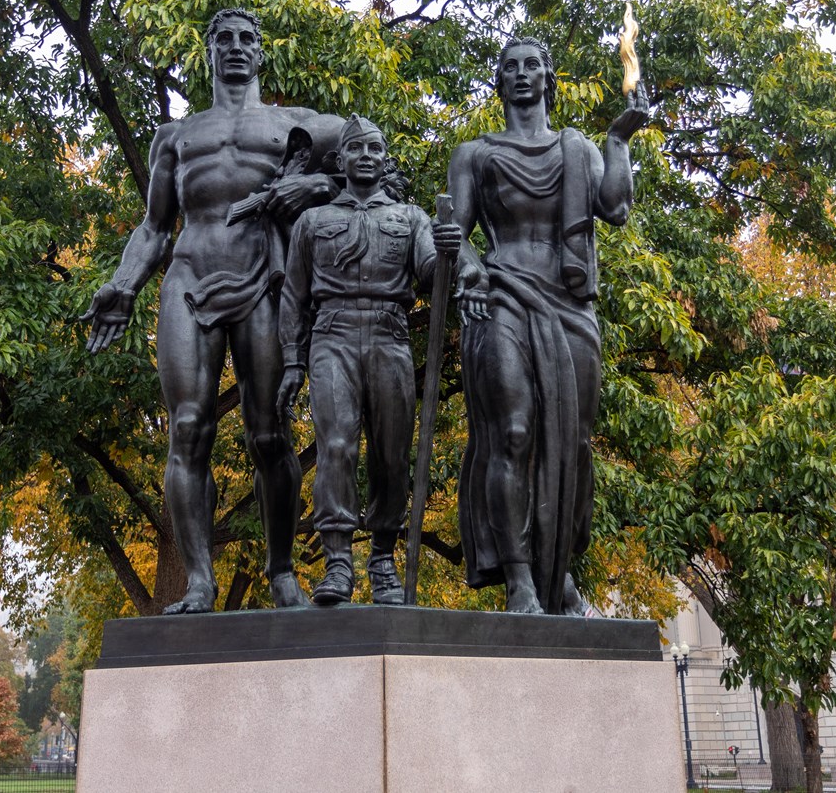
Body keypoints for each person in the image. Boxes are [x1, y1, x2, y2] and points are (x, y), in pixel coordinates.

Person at [84, 8, 344, 613]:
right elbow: (153, 228)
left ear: (260, 53)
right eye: (222, 38)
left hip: (264, 280)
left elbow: (367, 161)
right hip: (190, 276)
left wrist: (317, 186)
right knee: (189, 427)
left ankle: (282, 573)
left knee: (268, 431)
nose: (234, 47)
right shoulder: (176, 136)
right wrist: (123, 284)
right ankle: (199, 582)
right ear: (207, 53)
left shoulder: (296, 126)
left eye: (246, 38)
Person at [445, 36, 648, 614]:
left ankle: (557, 567)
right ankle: (519, 580)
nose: (522, 74)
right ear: (499, 82)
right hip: (504, 294)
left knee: (571, 445)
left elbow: (616, 208)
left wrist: (618, 140)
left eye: (533, 64)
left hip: (569, 305)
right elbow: (455, 237)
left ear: (548, 77)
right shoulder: (475, 154)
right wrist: (468, 270)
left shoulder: (577, 147)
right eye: (511, 67)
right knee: (512, 434)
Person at [276, 115, 460, 604]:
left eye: (375, 149)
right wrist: (292, 362)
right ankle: (338, 561)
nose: (366, 156)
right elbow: (293, 296)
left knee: (391, 453)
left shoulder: (411, 218)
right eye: (356, 148)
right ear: (340, 160)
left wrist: (448, 253)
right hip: (331, 336)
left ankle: (381, 558)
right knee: (336, 445)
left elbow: (428, 274)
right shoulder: (312, 222)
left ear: (384, 159)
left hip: (389, 336)